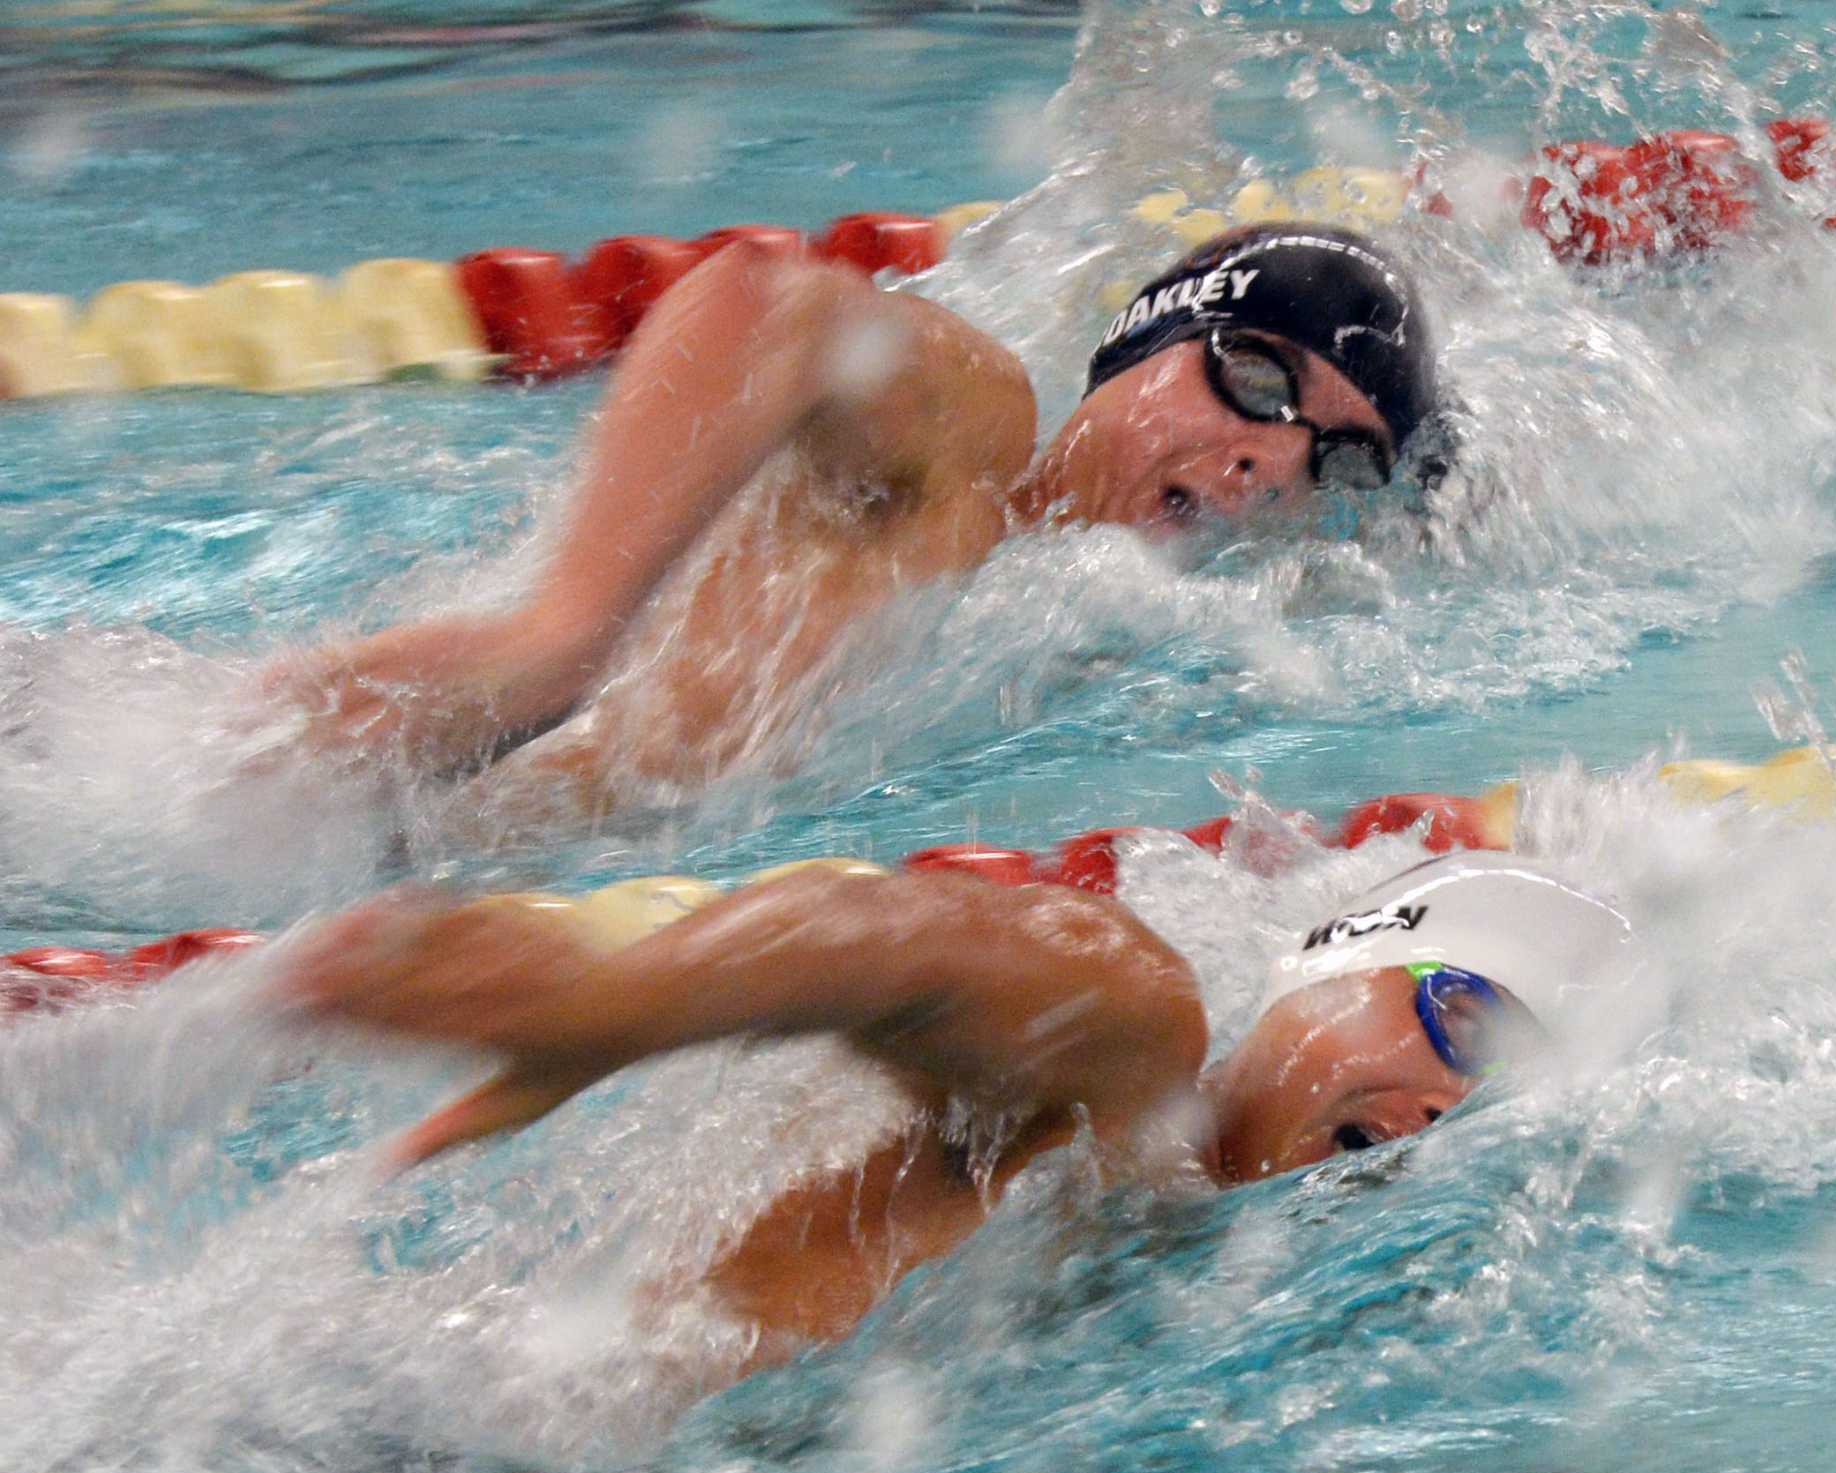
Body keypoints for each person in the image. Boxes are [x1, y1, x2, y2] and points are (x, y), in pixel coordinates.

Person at [269, 223, 1446, 819]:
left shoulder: (1122, 656)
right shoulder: (965, 452)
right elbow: (764, 301)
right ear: (1141, 344)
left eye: (1333, 463)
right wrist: (563, 634)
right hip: (334, 794)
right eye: (1254, 378)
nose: (1267, 459)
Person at [284, 849, 1627, 1370]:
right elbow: (890, 935)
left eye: (1510, 1098)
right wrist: (608, 1013)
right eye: (1469, 1018)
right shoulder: (1133, 1048)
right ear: (1333, 964)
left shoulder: (1230, 1280)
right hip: (415, 1443)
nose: (1455, 1106)